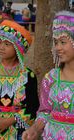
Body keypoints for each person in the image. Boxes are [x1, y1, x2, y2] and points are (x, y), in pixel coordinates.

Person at [0, 20, 39, 140]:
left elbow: (33, 106)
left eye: (7, 44)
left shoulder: (28, 76)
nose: (1, 47)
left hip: (20, 131)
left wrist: (10, 120)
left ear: (18, 48)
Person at [22, 10, 74, 140]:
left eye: (63, 42)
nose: (58, 48)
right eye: (56, 42)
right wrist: (34, 129)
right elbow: (44, 112)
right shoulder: (50, 78)